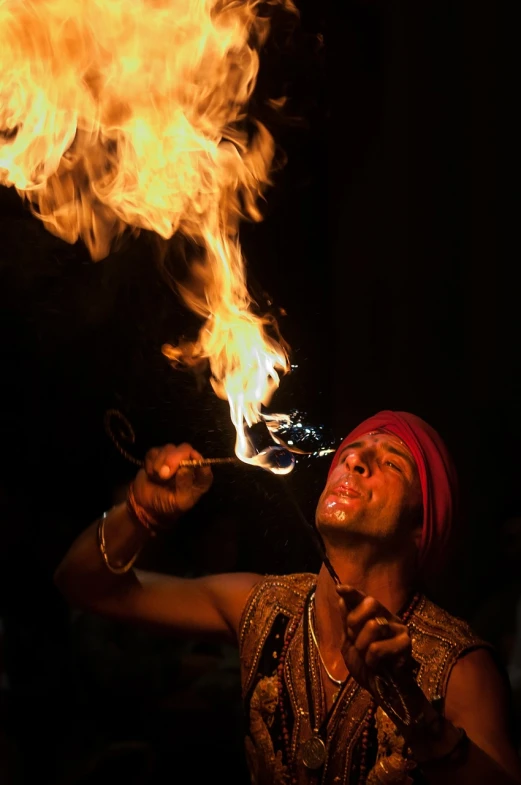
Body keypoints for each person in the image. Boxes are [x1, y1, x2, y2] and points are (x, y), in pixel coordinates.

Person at [54, 410, 521, 784]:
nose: (354, 462)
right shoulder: (262, 604)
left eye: (392, 463)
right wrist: (139, 513)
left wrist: (417, 713)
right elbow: (83, 585)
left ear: (424, 525)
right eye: (351, 452)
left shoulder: (460, 667)